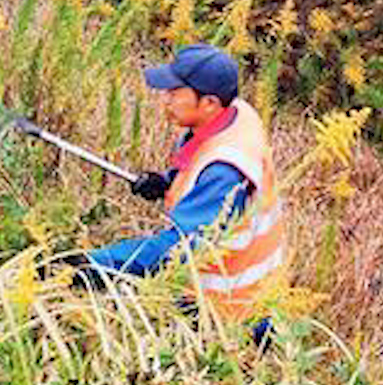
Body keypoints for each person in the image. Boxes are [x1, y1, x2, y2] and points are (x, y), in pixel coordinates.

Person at [80, 43, 285, 344]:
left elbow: (178, 250)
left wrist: (95, 264)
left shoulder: (225, 172)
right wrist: (167, 181)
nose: (166, 100)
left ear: (210, 103)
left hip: (234, 313)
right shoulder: (234, 113)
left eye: (175, 93)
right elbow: (198, 160)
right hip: (221, 293)